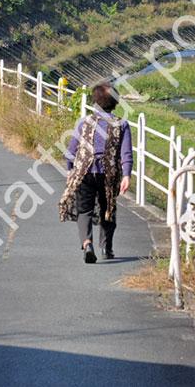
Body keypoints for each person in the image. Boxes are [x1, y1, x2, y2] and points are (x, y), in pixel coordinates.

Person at [58, 81, 132, 263]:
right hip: (109, 174)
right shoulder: (121, 124)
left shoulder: (84, 122)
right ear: (115, 103)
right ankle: (107, 248)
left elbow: (71, 151)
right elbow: (126, 153)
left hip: (85, 172)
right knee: (108, 210)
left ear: (95, 102)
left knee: (85, 210)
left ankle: (87, 243)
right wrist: (127, 175)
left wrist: (70, 170)